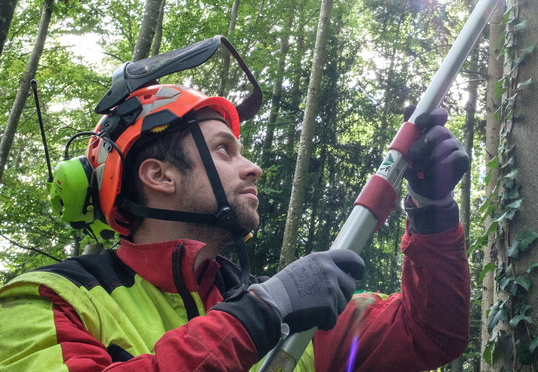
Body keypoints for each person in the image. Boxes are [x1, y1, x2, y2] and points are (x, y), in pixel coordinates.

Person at [0, 82, 471, 372]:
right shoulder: (47, 300)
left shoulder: (292, 311)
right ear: (159, 176)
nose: (253, 169)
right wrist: (257, 317)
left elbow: (430, 332)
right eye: (225, 150)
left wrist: (432, 208)